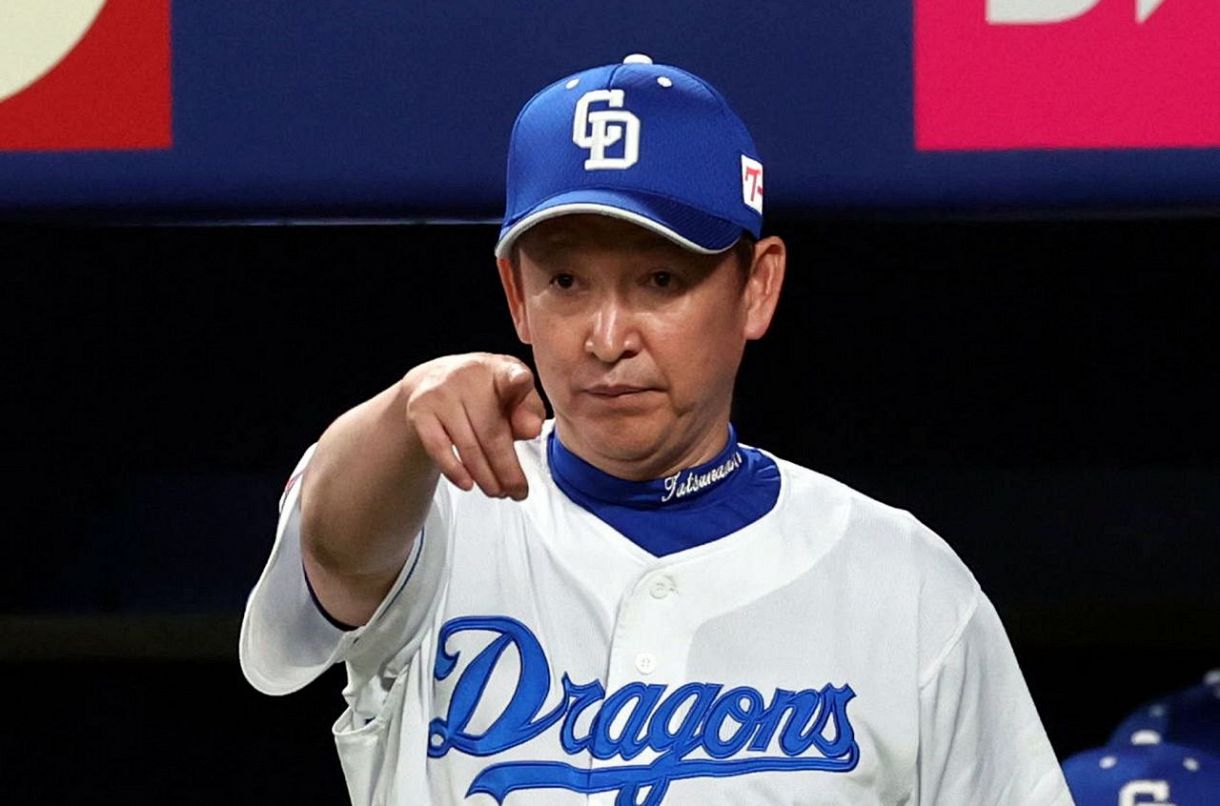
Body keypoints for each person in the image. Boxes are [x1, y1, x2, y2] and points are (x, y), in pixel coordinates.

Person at [240, 54, 1074, 805]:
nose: (607, 338)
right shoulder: (440, 510)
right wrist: (404, 409)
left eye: (661, 279)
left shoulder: (904, 584)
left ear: (757, 288)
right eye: (567, 281)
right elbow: (334, 550)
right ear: (516, 294)